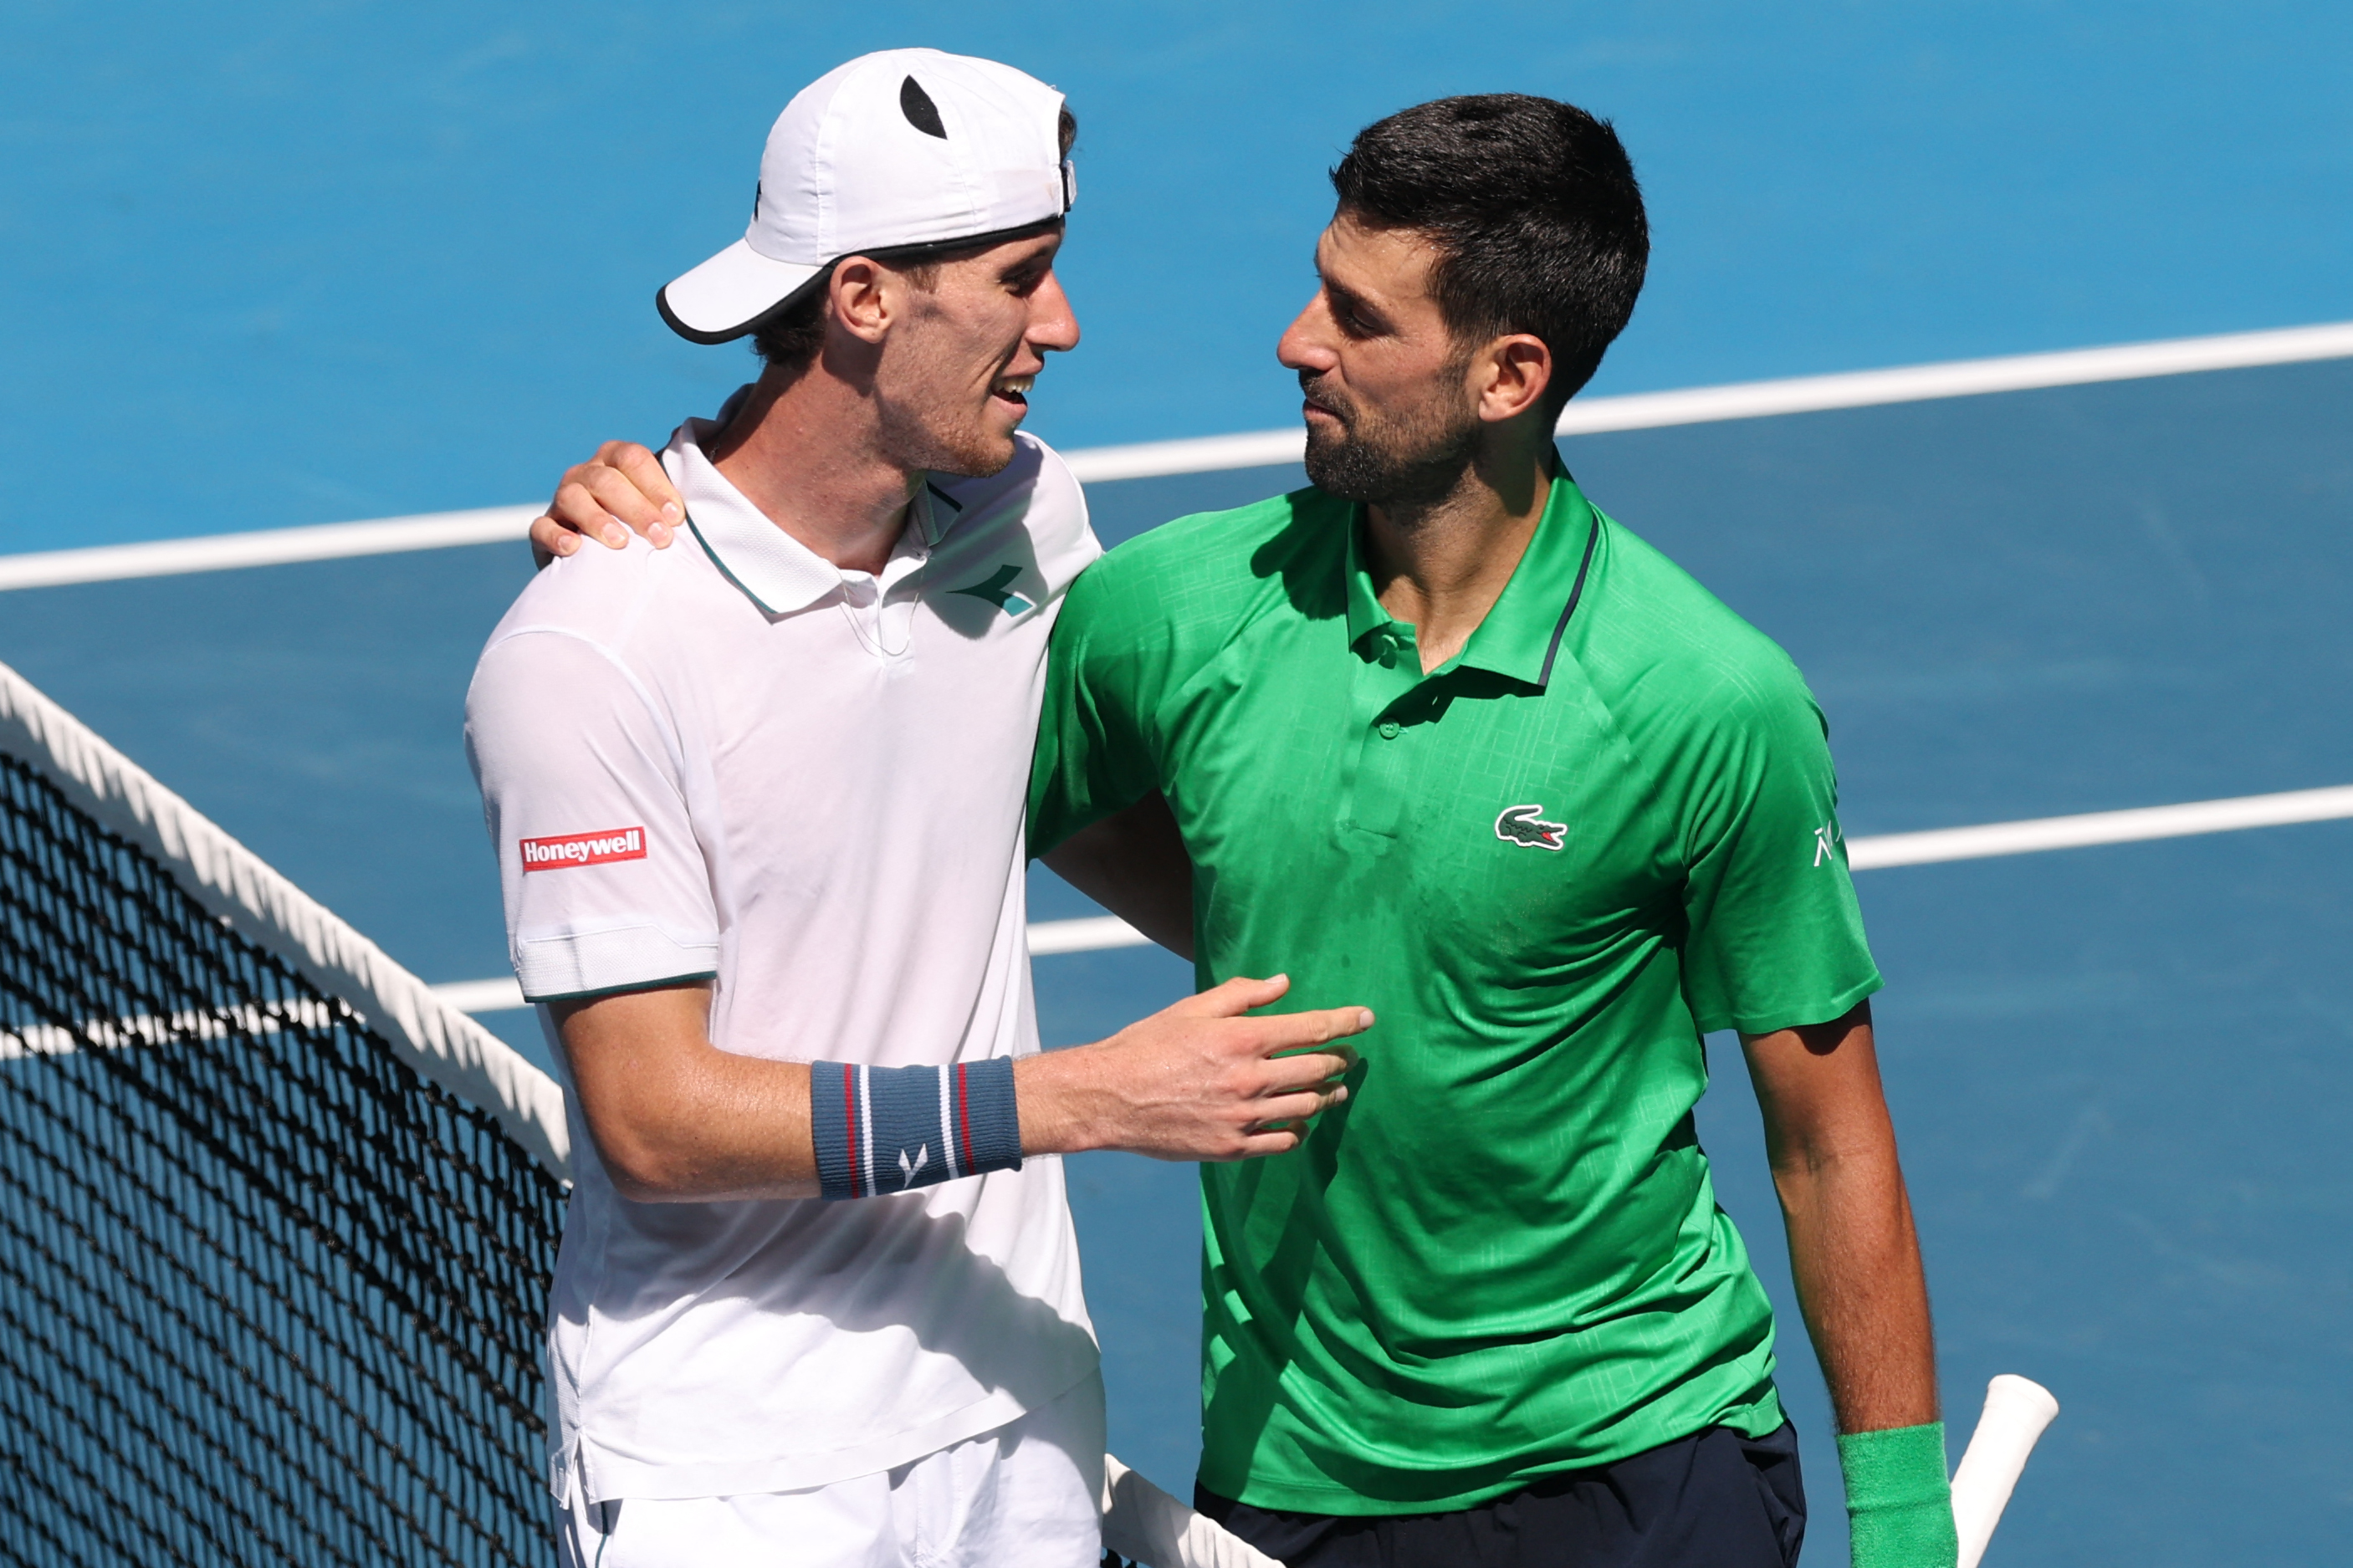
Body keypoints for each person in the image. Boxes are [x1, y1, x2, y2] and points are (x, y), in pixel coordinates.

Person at [539, 93, 1957, 1568]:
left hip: (1641, 1451)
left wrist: (1905, 1529)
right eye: (1316, 287)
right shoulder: (1165, 614)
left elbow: (1827, 1142)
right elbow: (925, 736)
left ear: (1508, 374)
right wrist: (653, 545)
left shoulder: (1707, 702)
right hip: (1298, 1468)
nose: (1295, 341)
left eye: (1358, 318)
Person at [467, 49, 1368, 1568]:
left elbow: (1068, 808)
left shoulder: (1021, 515)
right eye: (1020, 278)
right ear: (864, 297)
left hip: (1015, 1406)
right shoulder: (592, 649)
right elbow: (654, 1119)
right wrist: (1085, 1100)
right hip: (736, 1473)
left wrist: (1440, 957)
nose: (1059, 327)